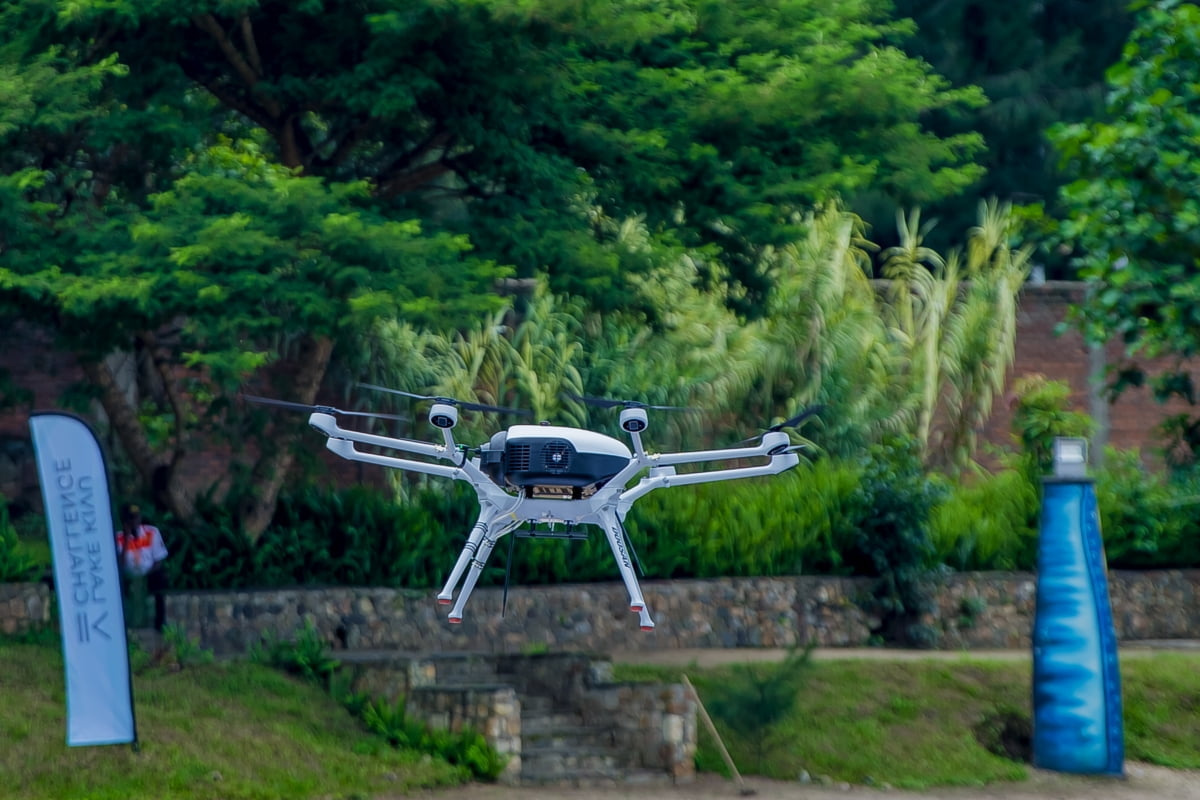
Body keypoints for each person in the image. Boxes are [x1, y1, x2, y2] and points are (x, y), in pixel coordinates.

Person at [115, 503, 169, 631]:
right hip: (128, 575)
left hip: (148, 572)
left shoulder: (151, 532)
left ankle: (160, 622)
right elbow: (120, 564)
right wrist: (127, 539)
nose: (134, 522)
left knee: (160, 578)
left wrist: (146, 574)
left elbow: (158, 561)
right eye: (131, 519)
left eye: (136, 518)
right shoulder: (118, 538)